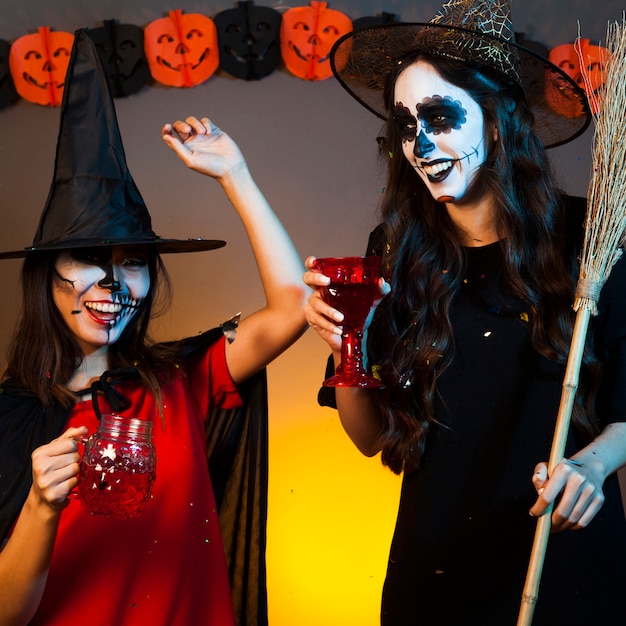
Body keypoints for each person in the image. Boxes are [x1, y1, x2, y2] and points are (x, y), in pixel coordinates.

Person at [304, 1, 626, 624]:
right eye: (404, 124)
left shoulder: (592, 239)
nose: (419, 143)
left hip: (564, 570)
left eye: (442, 117)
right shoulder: (395, 252)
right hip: (438, 576)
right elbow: (370, 438)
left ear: (499, 123)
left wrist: (592, 464)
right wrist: (349, 349)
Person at [0, 30, 307, 626]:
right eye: (89, 258)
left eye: (133, 262)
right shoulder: (9, 419)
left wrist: (235, 175)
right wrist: (40, 505)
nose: (113, 287)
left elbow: (294, 306)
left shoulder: (178, 382)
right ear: (46, 274)